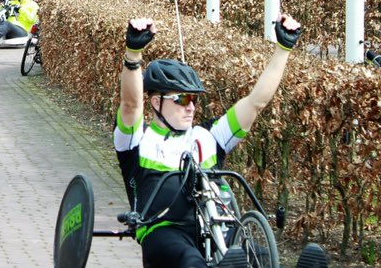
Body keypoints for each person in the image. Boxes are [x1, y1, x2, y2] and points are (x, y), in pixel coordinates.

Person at [116, 15, 329, 268]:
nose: (191, 107)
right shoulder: (137, 140)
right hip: (164, 232)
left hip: (216, 222)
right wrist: (133, 55)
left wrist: (283, 49)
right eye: (183, 99)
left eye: (195, 100)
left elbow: (255, 103)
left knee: (257, 256)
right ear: (156, 102)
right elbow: (130, 105)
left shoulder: (208, 136)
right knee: (190, 260)